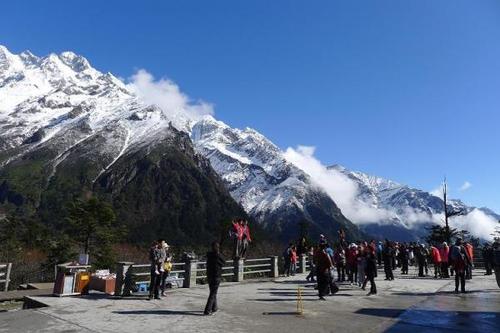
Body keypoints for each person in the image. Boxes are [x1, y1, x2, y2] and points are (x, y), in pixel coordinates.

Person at [204, 241, 225, 315]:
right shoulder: (218, 256)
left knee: (213, 292)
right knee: (213, 294)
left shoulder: (209, 255)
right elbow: (224, 262)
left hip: (209, 276)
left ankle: (214, 307)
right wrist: (219, 253)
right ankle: (207, 310)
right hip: (216, 276)